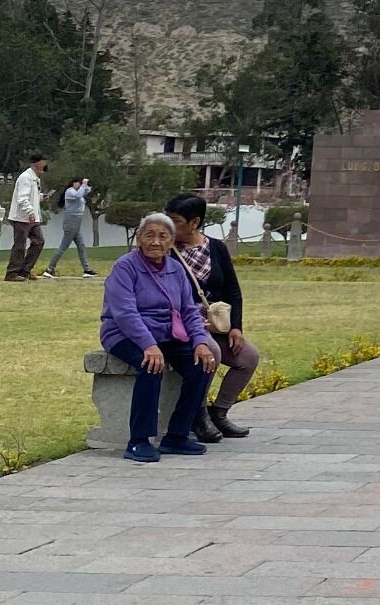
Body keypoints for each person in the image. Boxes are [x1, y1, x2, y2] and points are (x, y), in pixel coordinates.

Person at [98, 212, 219, 463]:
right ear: (139, 239)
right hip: (124, 333)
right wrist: (149, 345)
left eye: (163, 236)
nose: (156, 242)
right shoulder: (125, 267)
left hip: (167, 333)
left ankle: (176, 435)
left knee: (203, 366)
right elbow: (125, 313)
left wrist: (200, 342)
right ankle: (139, 441)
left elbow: (189, 310)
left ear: (171, 241)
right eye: (149, 235)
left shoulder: (175, 269)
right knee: (151, 365)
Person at [165, 192, 260, 443]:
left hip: (217, 322)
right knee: (212, 354)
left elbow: (232, 290)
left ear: (194, 222)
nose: (169, 226)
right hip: (185, 324)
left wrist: (236, 328)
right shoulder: (166, 250)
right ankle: (197, 413)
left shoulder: (215, 247)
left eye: (176, 220)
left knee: (248, 357)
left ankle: (219, 412)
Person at [4, 154, 49, 282]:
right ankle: (12, 273)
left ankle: (25, 270)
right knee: (20, 245)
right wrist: (29, 211)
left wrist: (41, 197)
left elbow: (31, 196)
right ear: (36, 163)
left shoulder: (35, 179)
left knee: (39, 241)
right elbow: (22, 198)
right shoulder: (26, 178)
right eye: (43, 162)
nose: (45, 165)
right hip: (22, 217)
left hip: (33, 217)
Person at [42, 176, 97, 278]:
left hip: (76, 221)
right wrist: (83, 184)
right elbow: (79, 194)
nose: (80, 185)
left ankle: (87, 269)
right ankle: (50, 269)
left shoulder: (79, 190)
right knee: (63, 247)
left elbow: (87, 190)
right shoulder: (70, 192)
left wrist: (85, 184)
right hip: (71, 221)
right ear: (74, 183)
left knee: (81, 246)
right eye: (78, 183)